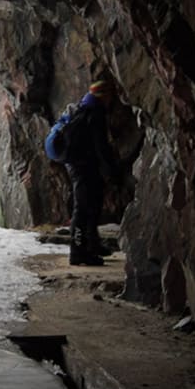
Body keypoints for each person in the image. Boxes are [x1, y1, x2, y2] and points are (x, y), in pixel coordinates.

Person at [65, 80, 121, 266]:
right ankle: (77, 252)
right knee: (82, 208)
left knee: (93, 204)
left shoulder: (84, 107)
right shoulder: (95, 111)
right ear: (104, 95)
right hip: (82, 166)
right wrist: (112, 171)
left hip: (81, 164)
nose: (112, 98)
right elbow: (101, 145)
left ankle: (92, 245)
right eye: (111, 94)